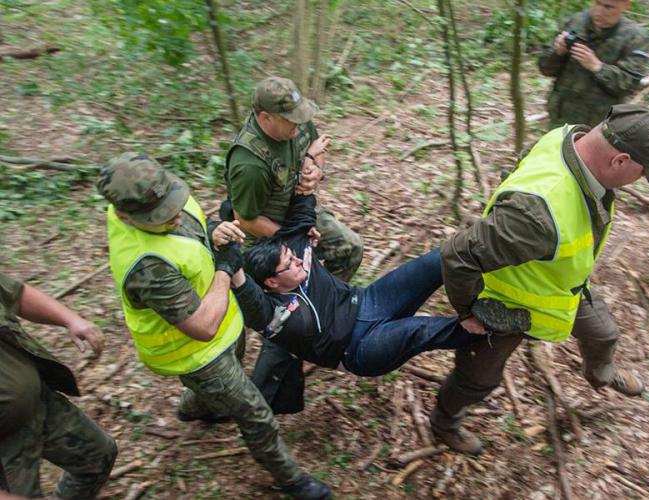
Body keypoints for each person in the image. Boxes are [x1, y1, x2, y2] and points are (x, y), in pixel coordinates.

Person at [427, 105, 649, 455]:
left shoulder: (569, 137)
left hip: (559, 288)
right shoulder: (537, 214)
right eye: (641, 173)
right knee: (477, 380)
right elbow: (458, 254)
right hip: (504, 304)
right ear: (619, 160)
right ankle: (444, 423)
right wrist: (468, 312)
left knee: (604, 334)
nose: (639, 181)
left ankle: (601, 374)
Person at [98, 153, 331, 500]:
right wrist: (225, 267)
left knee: (220, 387)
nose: (175, 216)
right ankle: (290, 478)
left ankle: (195, 407)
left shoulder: (161, 196)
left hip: (225, 326)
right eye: (161, 217)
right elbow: (203, 327)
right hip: (196, 354)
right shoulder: (147, 266)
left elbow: (193, 227)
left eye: (173, 205)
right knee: (256, 414)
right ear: (124, 215)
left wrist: (213, 230)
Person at [228, 193, 483, 376]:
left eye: (293, 256)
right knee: (423, 329)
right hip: (358, 348)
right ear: (272, 282)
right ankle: (490, 326)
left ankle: (491, 244)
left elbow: (303, 199)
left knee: (439, 259)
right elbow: (242, 286)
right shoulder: (271, 312)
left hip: (370, 301)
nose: (297, 261)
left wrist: (310, 164)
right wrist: (223, 245)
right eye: (289, 264)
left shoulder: (295, 250)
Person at [224, 75, 363, 281]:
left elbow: (316, 146)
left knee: (350, 248)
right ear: (266, 118)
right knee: (284, 282)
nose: (299, 124)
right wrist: (295, 239)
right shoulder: (250, 164)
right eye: (291, 120)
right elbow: (246, 220)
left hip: (298, 208)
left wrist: (316, 170)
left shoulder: (295, 121)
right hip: (265, 233)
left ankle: (329, 294)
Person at [0, 272, 117, 498]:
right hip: (4, 446)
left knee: (98, 457)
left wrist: (70, 319)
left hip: (38, 405)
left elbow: (14, 293)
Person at [538, 0, 649, 128]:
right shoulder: (575, 22)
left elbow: (630, 84)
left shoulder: (634, 37)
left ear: (626, 6)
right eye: (597, 3)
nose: (599, 11)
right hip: (561, 117)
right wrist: (558, 52)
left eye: (608, 7)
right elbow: (545, 68)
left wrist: (598, 67)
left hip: (600, 126)